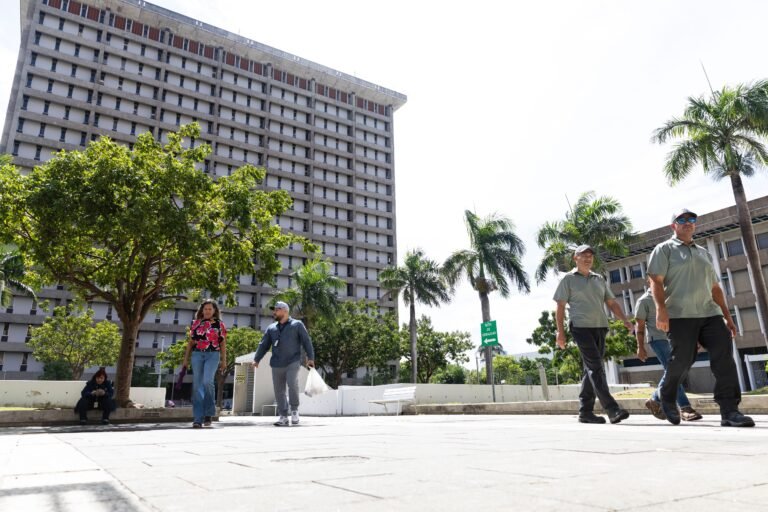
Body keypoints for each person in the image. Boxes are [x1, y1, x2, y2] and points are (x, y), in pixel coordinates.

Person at [647, 209, 754, 427]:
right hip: (680, 314)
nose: (688, 222)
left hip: (710, 313)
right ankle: (666, 397)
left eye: (691, 219)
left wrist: (728, 316)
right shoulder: (664, 249)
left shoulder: (703, 253)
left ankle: (730, 410)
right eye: (682, 219)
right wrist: (661, 310)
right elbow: (656, 282)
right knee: (683, 360)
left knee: (724, 358)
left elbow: (715, 288)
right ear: (673, 225)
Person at [554, 244, 633, 424]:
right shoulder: (568, 279)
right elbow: (559, 307)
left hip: (600, 326)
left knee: (590, 370)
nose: (588, 258)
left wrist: (625, 320)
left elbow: (612, 303)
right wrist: (560, 333)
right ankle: (612, 410)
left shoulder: (599, 279)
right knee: (596, 368)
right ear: (575, 258)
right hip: (580, 327)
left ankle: (585, 412)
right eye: (583, 255)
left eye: (590, 255)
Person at [635, 275, 702, 421]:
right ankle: (685, 407)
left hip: (675, 338)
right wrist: (640, 347)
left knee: (677, 371)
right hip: (658, 339)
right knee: (673, 371)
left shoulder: (672, 296)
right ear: (649, 280)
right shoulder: (643, 301)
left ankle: (655, 399)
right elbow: (639, 326)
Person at [252, 301, 315, 427]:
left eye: (276, 310)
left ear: (285, 311)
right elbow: (264, 344)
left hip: (293, 361)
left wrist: (310, 357)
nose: (274, 312)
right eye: (274, 310)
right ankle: (283, 416)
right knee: (279, 390)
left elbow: (306, 341)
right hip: (276, 363)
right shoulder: (271, 328)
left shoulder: (297, 325)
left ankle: (295, 411)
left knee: (292, 384)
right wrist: (256, 359)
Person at [182, 299, 227, 428]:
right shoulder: (195, 323)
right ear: (202, 310)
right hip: (197, 354)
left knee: (207, 382)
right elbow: (191, 343)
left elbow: (223, 343)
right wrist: (185, 359)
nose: (207, 311)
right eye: (205, 309)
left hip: (213, 355)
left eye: (210, 309)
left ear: (214, 311)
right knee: (197, 386)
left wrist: (224, 361)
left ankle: (208, 413)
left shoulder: (219, 324)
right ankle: (198, 418)